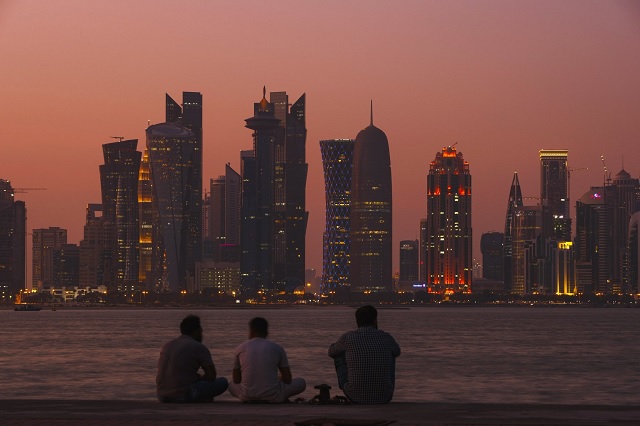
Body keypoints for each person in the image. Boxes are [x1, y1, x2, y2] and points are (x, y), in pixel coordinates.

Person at [328, 305, 401, 404]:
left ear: (357, 321)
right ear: (375, 320)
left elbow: (331, 352)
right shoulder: (386, 337)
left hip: (354, 396)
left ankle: (349, 384)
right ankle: (383, 385)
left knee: (338, 355)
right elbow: (397, 352)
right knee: (391, 353)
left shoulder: (348, 337)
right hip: (385, 396)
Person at [228, 317, 306, 403]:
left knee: (230, 384)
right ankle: (279, 395)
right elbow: (288, 379)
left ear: (251, 331)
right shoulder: (277, 348)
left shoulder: (240, 348)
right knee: (301, 382)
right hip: (273, 397)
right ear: (266, 332)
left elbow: (236, 380)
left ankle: (252, 394)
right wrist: (278, 379)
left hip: (246, 396)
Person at [156, 315, 228, 403]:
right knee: (223, 382)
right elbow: (211, 376)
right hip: (183, 395)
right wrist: (200, 378)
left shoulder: (167, 345)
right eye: (201, 332)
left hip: (161, 396)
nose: (202, 335)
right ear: (197, 332)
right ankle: (200, 398)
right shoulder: (199, 347)